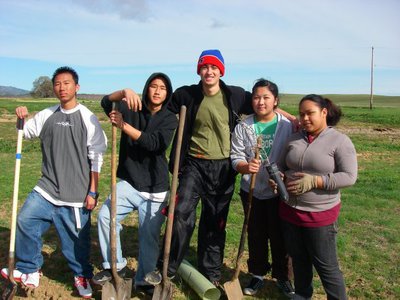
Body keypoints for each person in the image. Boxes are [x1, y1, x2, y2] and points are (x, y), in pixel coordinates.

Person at [1, 66, 107, 299]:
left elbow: (96, 157)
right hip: (47, 188)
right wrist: (20, 117)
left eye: (66, 83)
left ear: (76, 87)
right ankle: (30, 268)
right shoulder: (47, 115)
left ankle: (81, 275)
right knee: (25, 220)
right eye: (58, 83)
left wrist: (93, 191)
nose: (62, 87)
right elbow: (25, 132)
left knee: (76, 243)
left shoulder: (87, 118)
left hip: (76, 194)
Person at [92, 73, 178, 296]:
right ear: (146, 89)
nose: (157, 91)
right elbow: (105, 102)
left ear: (167, 93)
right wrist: (123, 92)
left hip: (156, 188)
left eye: (162, 88)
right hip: (130, 182)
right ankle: (115, 266)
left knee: (148, 237)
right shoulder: (132, 107)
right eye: (153, 86)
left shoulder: (171, 118)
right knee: (105, 216)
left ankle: (144, 281)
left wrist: (123, 126)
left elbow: (155, 143)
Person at [277, 94, 358, 300]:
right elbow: (280, 165)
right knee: (299, 259)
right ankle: (303, 294)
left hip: (319, 215)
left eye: (310, 113)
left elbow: (349, 176)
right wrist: (277, 177)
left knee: (326, 265)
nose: (304, 118)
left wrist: (316, 181)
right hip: (290, 211)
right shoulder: (294, 138)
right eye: (301, 114)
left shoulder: (339, 141)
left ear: (323, 113)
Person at [230, 78, 295, 297]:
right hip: (252, 190)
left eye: (266, 97)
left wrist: (284, 177)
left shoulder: (287, 126)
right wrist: (245, 167)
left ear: (276, 100)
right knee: (256, 234)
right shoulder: (244, 127)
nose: (261, 102)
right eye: (256, 97)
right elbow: (235, 156)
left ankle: (283, 277)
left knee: (280, 235)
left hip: (279, 191)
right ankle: (257, 274)